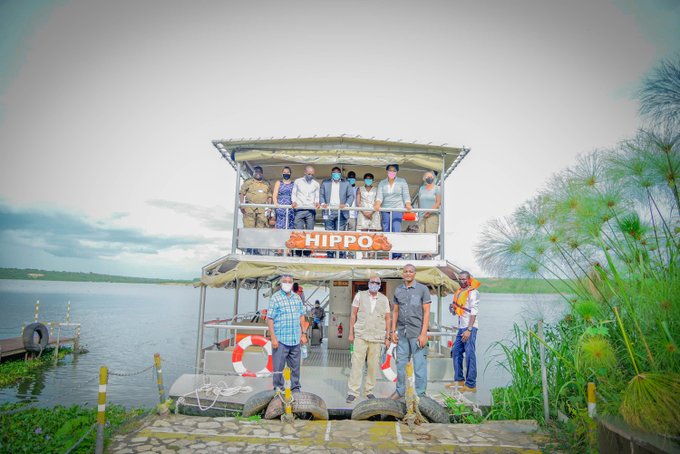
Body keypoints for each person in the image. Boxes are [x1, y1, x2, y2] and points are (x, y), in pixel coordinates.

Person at [347, 276, 391, 402]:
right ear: (368, 283)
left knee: (373, 366)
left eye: (377, 283)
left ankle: (369, 390)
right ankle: (353, 392)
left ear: (380, 285)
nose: (374, 284)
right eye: (372, 282)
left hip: (377, 337)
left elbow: (388, 319)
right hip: (361, 334)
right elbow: (353, 315)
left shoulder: (384, 299)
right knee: (356, 364)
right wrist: (351, 333)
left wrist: (387, 337)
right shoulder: (359, 296)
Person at [390, 264, 431, 398]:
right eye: (406, 271)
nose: (408, 274)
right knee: (401, 365)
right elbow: (395, 312)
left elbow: (427, 312)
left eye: (411, 271)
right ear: (403, 273)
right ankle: (400, 391)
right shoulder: (398, 291)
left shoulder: (422, 289)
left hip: (417, 334)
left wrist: (423, 334)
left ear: (414, 274)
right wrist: (392, 331)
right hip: (402, 334)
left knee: (419, 366)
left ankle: (420, 394)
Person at [266, 274, 308, 392]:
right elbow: (270, 319)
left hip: (295, 339)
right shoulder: (275, 298)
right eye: (285, 281)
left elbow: (301, 316)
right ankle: (278, 388)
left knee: (295, 368)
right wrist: (273, 337)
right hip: (281, 340)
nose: (287, 283)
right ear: (281, 283)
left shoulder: (297, 298)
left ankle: (295, 388)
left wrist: (303, 334)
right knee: (278, 367)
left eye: (289, 281)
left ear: (292, 283)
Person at [448, 271, 480, 392]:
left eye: (464, 279)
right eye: (460, 279)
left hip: (470, 328)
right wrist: (452, 308)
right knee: (456, 352)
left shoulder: (473, 293)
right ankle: (459, 380)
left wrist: (469, 329)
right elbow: (456, 311)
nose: (461, 281)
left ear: (469, 279)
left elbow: (474, 312)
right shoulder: (460, 292)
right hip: (461, 327)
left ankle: (471, 384)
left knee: (470, 354)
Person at [374, 164, 411, 259]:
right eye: (390, 170)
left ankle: (397, 254)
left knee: (396, 229)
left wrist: (407, 204)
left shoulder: (402, 181)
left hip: (397, 208)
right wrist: (377, 204)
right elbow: (379, 196)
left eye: (394, 170)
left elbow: (406, 195)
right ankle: (389, 252)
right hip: (385, 209)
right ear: (387, 171)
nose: (392, 172)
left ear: (396, 172)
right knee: (386, 231)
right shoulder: (382, 183)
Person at [319, 166, 355, 258]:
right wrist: (323, 203)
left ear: (340, 174)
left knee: (340, 234)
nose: (336, 174)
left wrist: (346, 205)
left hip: (341, 212)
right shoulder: (325, 183)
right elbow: (321, 194)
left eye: (338, 173)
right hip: (329, 211)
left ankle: (341, 256)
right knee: (329, 235)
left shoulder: (346, 183)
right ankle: (330, 256)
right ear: (331, 174)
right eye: (334, 173)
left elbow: (351, 196)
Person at [239, 165, 271, 254]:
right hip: (249, 209)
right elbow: (241, 193)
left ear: (262, 173)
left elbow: (269, 196)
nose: (258, 173)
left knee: (259, 230)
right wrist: (242, 205)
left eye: (260, 172)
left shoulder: (266, 184)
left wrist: (269, 208)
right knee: (249, 228)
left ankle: (256, 249)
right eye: (256, 171)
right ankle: (248, 249)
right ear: (253, 173)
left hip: (261, 209)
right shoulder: (248, 182)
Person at [291, 165, 320, 256]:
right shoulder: (298, 181)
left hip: (310, 210)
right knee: (299, 232)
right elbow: (294, 193)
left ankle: (307, 253)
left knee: (309, 232)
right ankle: (298, 252)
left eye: (312, 174)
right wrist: (293, 202)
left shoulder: (316, 184)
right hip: (299, 209)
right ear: (305, 172)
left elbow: (317, 196)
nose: (310, 175)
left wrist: (317, 203)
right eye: (309, 174)